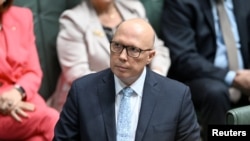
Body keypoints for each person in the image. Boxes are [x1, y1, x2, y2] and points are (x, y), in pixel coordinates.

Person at [53, 18, 200, 141]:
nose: (122, 56)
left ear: (150, 56)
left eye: (133, 50)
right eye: (117, 45)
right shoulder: (83, 90)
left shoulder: (177, 96)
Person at [47, 0, 171, 112]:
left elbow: (158, 49)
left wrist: (154, 78)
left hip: (139, 95)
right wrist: (124, 88)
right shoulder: (73, 20)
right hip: (91, 102)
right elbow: (76, 74)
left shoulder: (134, 9)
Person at [161, 0, 250, 140]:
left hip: (244, 73)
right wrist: (233, 78)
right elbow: (184, 57)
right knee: (215, 92)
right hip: (198, 77)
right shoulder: (180, 3)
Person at [0, 0, 59, 140]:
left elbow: (33, 71)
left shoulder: (22, 16)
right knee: (52, 120)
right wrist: (4, 100)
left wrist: (17, 92)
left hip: (23, 97)